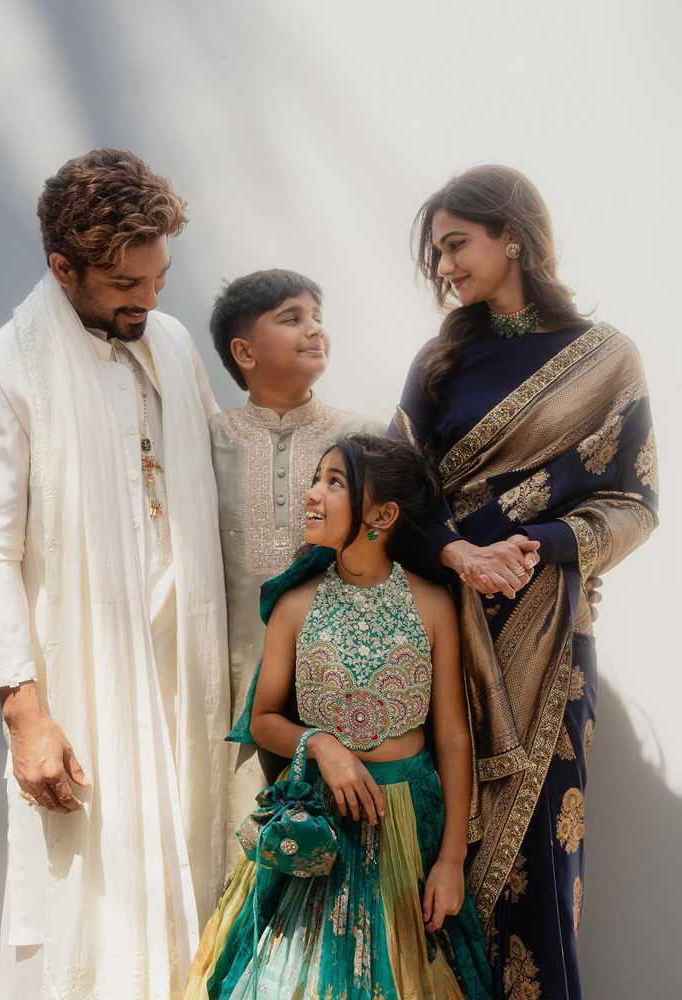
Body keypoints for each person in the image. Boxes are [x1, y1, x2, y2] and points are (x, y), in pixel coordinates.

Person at [0, 149, 230, 998]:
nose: (149, 301)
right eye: (125, 285)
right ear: (61, 267)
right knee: (84, 895)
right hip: (88, 687)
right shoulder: (1, 375)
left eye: (159, 279)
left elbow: (220, 474)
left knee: (202, 865)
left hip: (191, 674)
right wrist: (24, 713)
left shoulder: (170, 343)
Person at [391, 165, 658, 998]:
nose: (444, 267)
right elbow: (395, 490)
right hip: (444, 636)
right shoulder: (440, 361)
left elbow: (638, 504)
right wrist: (459, 555)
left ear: (512, 236)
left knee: (541, 857)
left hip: (549, 644)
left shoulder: (606, 360)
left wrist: (537, 544)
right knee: (435, 850)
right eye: (437, 254)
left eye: (456, 245)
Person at [184, 433, 493, 999]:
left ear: (382, 515)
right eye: (314, 479)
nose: (312, 494)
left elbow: (452, 737)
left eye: (334, 482)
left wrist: (451, 860)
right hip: (317, 825)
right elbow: (263, 719)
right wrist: (322, 745)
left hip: (408, 824)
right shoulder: (294, 605)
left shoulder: (432, 605)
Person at [208, 269, 384, 868]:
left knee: (343, 857)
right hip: (234, 683)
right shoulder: (208, 441)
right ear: (244, 352)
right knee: (244, 854)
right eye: (292, 318)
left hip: (342, 679)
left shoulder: (363, 439)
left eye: (317, 317)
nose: (315, 329)